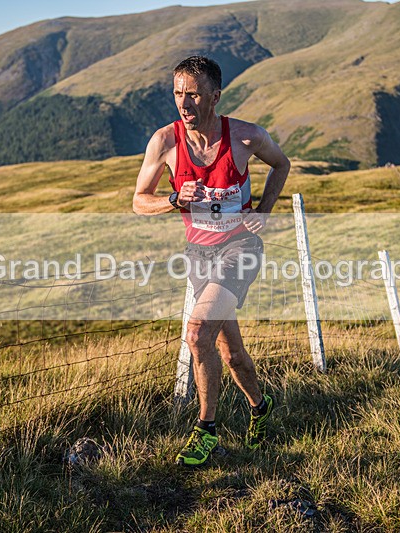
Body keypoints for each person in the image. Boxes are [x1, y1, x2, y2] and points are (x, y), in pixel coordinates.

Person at [133, 56, 290, 466]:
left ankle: (206, 430)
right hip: (198, 255)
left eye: (194, 94)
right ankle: (260, 405)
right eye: (178, 94)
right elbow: (138, 201)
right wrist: (171, 200)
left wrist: (265, 211)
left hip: (240, 248)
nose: (184, 104)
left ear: (215, 96)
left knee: (198, 332)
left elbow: (281, 164)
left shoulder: (246, 137)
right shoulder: (164, 142)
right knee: (230, 352)